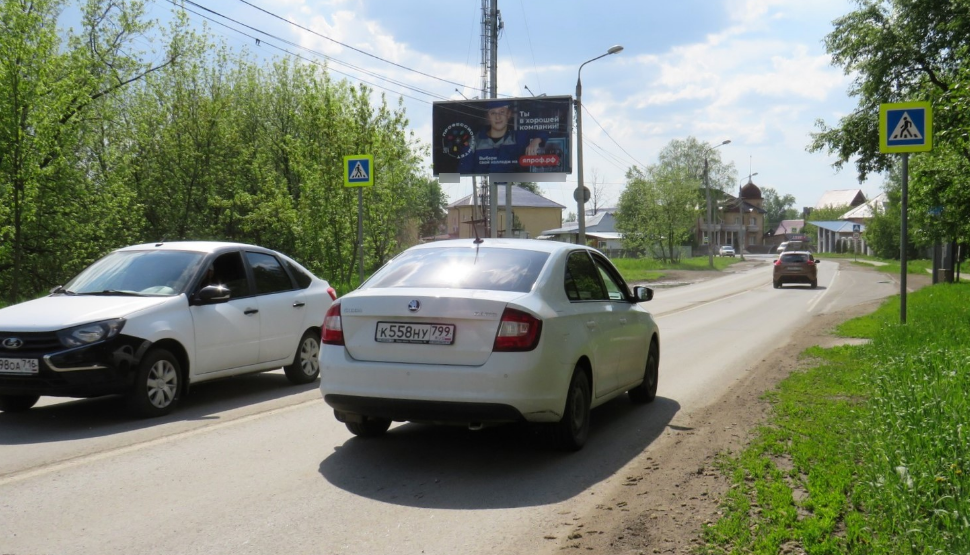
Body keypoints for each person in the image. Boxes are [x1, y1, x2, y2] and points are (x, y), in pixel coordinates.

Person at [458, 101, 545, 174]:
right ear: (488, 117)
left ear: (509, 114)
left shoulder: (517, 137)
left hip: (513, 185)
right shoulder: (474, 142)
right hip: (485, 184)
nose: (498, 117)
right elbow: (464, 172)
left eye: (502, 112)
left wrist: (537, 140)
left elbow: (546, 129)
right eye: (493, 113)